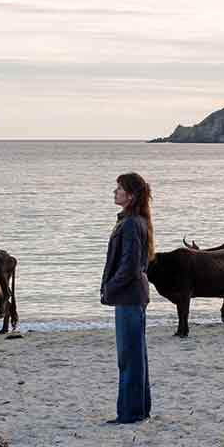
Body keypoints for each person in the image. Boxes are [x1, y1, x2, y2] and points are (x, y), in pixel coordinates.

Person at [100, 172, 154, 424]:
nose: (114, 192)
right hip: (133, 295)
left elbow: (130, 266)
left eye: (119, 188)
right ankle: (139, 410)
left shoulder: (132, 223)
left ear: (130, 195)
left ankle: (130, 414)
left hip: (129, 296)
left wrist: (110, 288)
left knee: (129, 357)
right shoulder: (134, 220)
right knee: (135, 355)